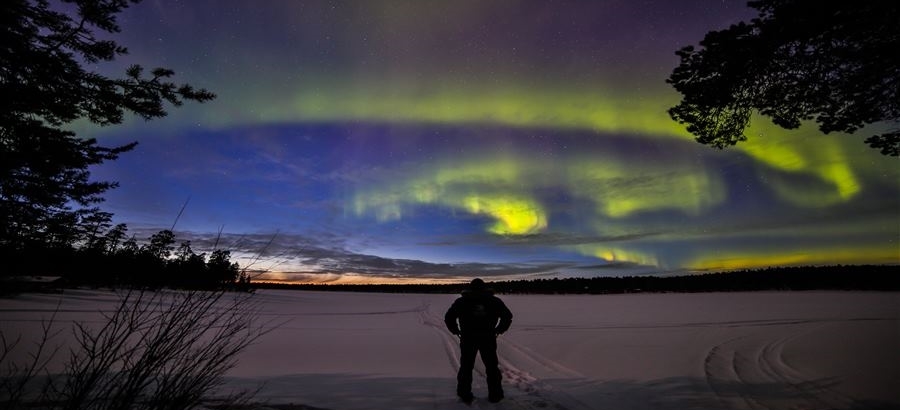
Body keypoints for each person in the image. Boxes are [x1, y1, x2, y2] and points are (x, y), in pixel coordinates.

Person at [444, 278, 513, 403]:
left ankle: (464, 394)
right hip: (487, 338)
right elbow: (507, 317)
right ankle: (496, 395)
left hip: (468, 338)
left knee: (466, 367)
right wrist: (499, 330)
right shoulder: (494, 301)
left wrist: (456, 331)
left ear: (471, 288)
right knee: (491, 367)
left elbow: (449, 317)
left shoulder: (462, 301)